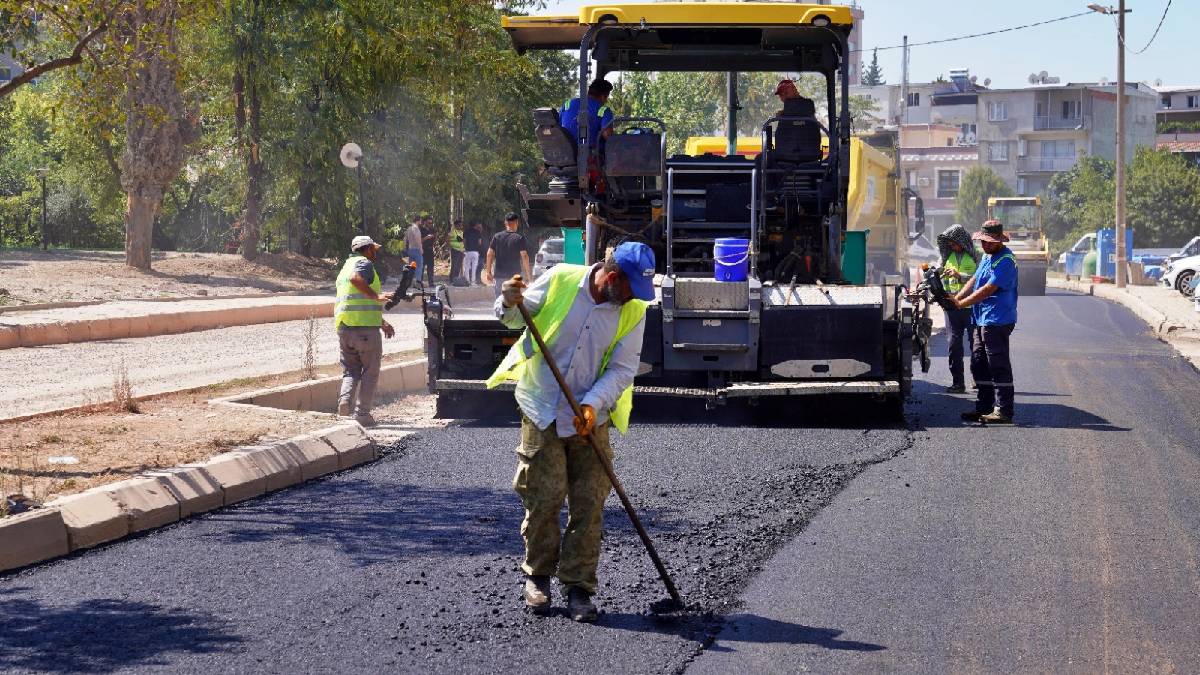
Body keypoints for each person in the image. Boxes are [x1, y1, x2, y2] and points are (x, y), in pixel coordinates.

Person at [487, 241, 657, 622]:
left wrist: (592, 405)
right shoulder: (561, 280)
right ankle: (538, 577)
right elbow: (514, 319)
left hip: (589, 417)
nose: (635, 298)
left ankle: (579, 588)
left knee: (590, 500)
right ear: (611, 277)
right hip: (543, 407)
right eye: (631, 288)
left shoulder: (633, 312)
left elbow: (622, 369)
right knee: (544, 496)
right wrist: (509, 301)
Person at [950, 220, 1018, 424]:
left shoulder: (1006, 260)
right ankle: (984, 407)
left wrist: (961, 304)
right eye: (983, 241)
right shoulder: (988, 257)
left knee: (998, 364)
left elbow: (988, 289)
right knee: (978, 361)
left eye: (989, 242)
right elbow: (974, 280)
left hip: (998, 319)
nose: (985, 245)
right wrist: (956, 298)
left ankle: (1004, 410)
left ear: (999, 240)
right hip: (981, 318)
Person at [334, 235, 395, 427]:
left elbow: (356, 300)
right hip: (365, 331)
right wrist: (377, 296)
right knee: (370, 372)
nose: (375, 253)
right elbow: (356, 280)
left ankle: (344, 404)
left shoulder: (345, 267)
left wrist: (382, 322)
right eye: (373, 249)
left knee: (350, 371)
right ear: (367, 249)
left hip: (345, 328)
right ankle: (362, 414)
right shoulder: (364, 264)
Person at [937, 224, 980, 393]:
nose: (951, 246)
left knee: (976, 345)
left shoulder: (977, 256)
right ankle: (958, 383)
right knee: (954, 345)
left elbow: (980, 278)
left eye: (954, 243)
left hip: (972, 308)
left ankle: (978, 378)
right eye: (949, 243)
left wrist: (959, 275)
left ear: (961, 241)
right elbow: (939, 275)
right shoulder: (946, 257)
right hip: (952, 308)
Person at [483, 212, 531, 297]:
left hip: (499, 276)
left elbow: (489, 254)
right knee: (513, 301)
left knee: (499, 301)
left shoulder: (497, 236)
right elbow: (524, 256)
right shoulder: (519, 238)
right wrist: (528, 275)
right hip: (514, 276)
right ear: (516, 223)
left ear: (505, 223)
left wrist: (488, 272)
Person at [560, 78, 614, 147]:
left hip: (565, 151)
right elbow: (609, 137)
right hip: (591, 152)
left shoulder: (567, 104)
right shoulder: (604, 110)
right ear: (603, 96)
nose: (606, 101)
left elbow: (559, 126)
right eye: (607, 97)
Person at [463, 220, 484, 286]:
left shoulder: (466, 231)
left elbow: (464, 241)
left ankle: (467, 281)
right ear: (475, 225)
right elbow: (479, 242)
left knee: (467, 267)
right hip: (475, 252)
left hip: (468, 251)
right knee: (474, 268)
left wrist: (466, 247)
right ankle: (473, 282)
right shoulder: (478, 232)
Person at [404, 215, 424, 279]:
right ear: (418, 220)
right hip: (416, 249)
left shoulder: (409, 228)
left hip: (410, 249)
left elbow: (405, 239)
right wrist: (421, 248)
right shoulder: (416, 228)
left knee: (411, 267)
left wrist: (406, 249)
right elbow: (417, 238)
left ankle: (409, 281)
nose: (421, 221)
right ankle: (418, 281)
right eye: (420, 220)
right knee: (419, 266)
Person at [420, 213, 436, 286]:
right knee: (422, 267)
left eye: (431, 223)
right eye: (429, 223)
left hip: (430, 250)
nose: (430, 224)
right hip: (423, 250)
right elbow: (419, 240)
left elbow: (434, 239)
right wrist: (426, 237)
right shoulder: (420, 230)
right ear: (425, 222)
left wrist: (434, 237)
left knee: (431, 267)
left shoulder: (432, 230)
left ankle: (431, 283)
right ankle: (419, 282)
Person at [449, 219, 466, 283]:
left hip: (461, 251)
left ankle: (455, 279)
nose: (460, 226)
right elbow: (447, 239)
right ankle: (452, 279)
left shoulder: (461, 232)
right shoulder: (453, 232)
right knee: (454, 265)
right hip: (455, 250)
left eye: (461, 225)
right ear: (455, 225)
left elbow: (462, 242)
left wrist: (463, 250)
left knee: (458, 266)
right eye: (459, 225)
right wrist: (450, 247)